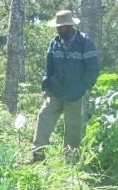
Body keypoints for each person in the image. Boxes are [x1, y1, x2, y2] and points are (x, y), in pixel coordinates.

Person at [30, 10, 99, 162]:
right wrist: (46, 87)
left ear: (69, 26)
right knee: (43, 117)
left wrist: (85, 86)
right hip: (55, 91)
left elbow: (93, 67)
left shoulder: (85, 42)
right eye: (57, 26)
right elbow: (48, 66)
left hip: (75, 93)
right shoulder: (54, 42)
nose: (58, 29)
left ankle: (70, 159)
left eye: (61, 27)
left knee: (73, 127)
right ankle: (38, 154)